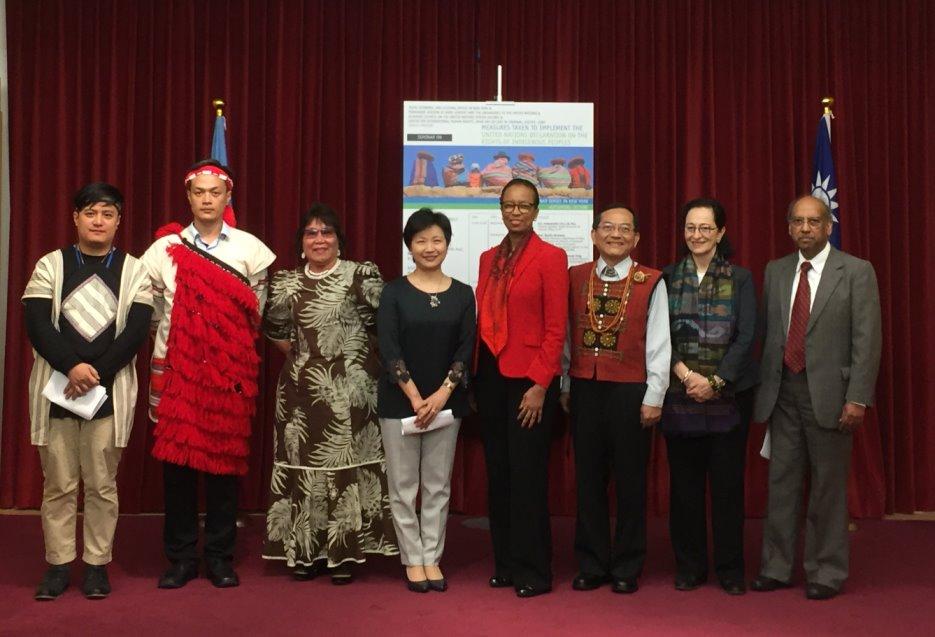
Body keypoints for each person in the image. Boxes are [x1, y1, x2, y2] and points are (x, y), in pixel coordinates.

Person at [141, 159, 276, 589]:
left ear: (227, 197)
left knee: (223, 465)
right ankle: (181, 558)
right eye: (198, 192)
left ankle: (219, 556)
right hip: (177, 372)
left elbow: (256, 312)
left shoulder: (250, 249)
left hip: (227, 373)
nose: (206, 199)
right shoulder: (165, 249)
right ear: (188, 197)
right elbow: (151, 312)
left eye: (214, 192)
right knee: (177, 468)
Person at [23, 182, 153, 600]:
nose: (99, 221)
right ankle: (58, 564)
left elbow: (136, 332)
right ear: (75, 218)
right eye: (91, 213)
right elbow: (37, 323)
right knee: (59, 484)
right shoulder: (51, 265)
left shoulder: (134, 270)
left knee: (101, 484)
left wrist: (95, 373)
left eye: (107, 214)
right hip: (56, 391)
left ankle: (97, 565)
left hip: (109, 392)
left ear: (119, 221)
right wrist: (72, 367)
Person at [751, 195, 881, 600]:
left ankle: (826, 571)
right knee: (782, 485)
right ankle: (776, 567)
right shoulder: (775, 270)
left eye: (813, 221)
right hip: (782, 393)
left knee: (827, 487)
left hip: (832, 396)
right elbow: (769, 335)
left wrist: (857, 398)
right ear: (789, 227)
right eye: (798, 221)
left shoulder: (856, 271)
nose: (805, 228)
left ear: (828, 226)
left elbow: (867, 340)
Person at [261, 203, 398, 584]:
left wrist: (351, 364)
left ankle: (344, 553)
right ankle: (307, 553)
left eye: (327, 232)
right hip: (299, 396)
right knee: (305, 470)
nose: (319, 239)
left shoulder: (360, 275)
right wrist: (309, 362)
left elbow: (383, 326)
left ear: (339, 240)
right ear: (301, 242)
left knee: (345, 468)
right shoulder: (286, 282)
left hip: (353, 395)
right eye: (311, 233)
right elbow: (276, 331)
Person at [561, 204, 670, 595]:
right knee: (588, 480)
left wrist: (654, 395)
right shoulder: (575, 276)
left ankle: (627, 564)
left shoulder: (651, 281)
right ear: (594, 235)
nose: (616, 235)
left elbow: (659, 342)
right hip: (585, 388)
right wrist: (565, 384)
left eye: (625, 229)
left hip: (630, 392)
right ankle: (591, 563)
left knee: (630, 481)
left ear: (636, 238)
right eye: (608, 227)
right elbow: (566, 336)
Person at [474, 177, 568, 598]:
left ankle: (535, 571)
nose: (516, 212)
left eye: (524, 205)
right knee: (499, 475)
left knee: (527, 477)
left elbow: (556, 328)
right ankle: (507, 565)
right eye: (509, 205)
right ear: (500, 208)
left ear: (536, 211)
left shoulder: (551, 257)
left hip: (529, 381)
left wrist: (541, 384)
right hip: (491, 376)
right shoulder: (487, 259)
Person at [660, 198, 758, 595]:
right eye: (690, 227)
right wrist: (687, 376)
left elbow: (747, 336)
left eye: (705, 228)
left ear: (720, 232)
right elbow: (659, 335)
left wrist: (715, 381)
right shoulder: (667, 277)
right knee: (684, 489)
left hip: (729, 398)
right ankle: (690, 567)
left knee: (727, 488)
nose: (696, 235)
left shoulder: (741, 278)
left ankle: (730, 569)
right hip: (680, 394)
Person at [377, 208, 476, 593]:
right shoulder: (394, 292)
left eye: (437, 240)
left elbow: (465, 349)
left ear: (447, 244)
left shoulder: (463, 293)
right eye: (421, 241)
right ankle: (412, 559)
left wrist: (440, 395)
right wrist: (417, 397)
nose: (429, 247)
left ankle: (432, 557)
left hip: (445, 403)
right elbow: (389, 348)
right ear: (410, 246)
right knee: (403, 488)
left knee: (437, 486)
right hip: (400, 402)